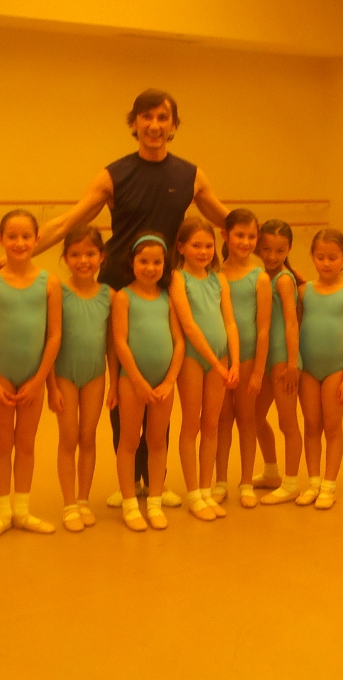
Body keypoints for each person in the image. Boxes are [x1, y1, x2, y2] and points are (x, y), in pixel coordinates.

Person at [0, 89, 229, 505]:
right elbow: (66, 223)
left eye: (163, 118)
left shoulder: (191, 176)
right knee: (124, 381)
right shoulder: (113, 176)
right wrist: (8, 260)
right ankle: (131, 480)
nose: (155, 125)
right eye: (147, 117)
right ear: (134, 123)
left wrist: (273, 254)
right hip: (118, 289)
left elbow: (229, 220)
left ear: (173, 125)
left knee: (160, 376)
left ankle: (155, 481)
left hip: (163, 289)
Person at [0, 210, 62, 540]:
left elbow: (54, 336)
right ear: (0, 240)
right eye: (12, 236)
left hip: (33, 375)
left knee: (25, 445)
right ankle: (3, 514)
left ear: (37, 240)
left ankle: (22, 512)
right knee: (2, 444)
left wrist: (39, 380)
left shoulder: (49, 282)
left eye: (26, 236)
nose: (19, 242)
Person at [111, 233, 185, 531]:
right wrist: (138, 381)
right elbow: (120, 342)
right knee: (129, 441)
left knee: (157, 441)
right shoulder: (123, 297)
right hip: (132, 381)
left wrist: (169, 380)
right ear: (132, 262)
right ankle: (130, 504)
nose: (150, 268)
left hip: (163, 382)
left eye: (157, 262)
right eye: (144, 261)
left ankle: (154, 501)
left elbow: (179, 342)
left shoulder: (168, 298)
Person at [170, 217, 240, 521]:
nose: (203, 251)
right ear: (181, 247)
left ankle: (206, 488)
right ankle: (193, 494)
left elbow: (230, 322)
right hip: (193, 359)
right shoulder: (177, 278)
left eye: (208, 246)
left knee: (211, 424)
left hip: (221, 359)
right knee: (192, 424)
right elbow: (188, 325)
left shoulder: (219, 279)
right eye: (196, 245)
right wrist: (214, 362)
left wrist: (234, 362)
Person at [48, 225, 114, 532]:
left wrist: (114, 383)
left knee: (88, 437)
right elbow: (49, 340)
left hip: (95, 376)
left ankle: (84, 499)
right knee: (68, 438)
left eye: (90, 254)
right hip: (64, 374)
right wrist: (50, 385)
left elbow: (112, 343)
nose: (83, 261)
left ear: (101, 256)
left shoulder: (109, 295)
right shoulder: (58, 292)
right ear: (65, 258)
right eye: (75, 254)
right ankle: (69, 504)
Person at [296, 228, 343, 509]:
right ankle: (313, 482)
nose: (326, 263)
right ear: (313, 257)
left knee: (332, 427)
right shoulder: (304, 292)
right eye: (320, 257)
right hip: (308, 369)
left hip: (336, 369)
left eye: (332, 258)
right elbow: (294, 328)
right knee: (312, 425)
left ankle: (329, 485)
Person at [213, 209, 271, 508]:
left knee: (246, 419)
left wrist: (259, 371)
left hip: (248, 358)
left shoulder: (260, 278)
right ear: (225, 235)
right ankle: (220, 481)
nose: (246, 242)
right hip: (221, 357)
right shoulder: (215, 275)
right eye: (239, 235)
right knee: (222, 419)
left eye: (251, 236)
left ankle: (246, 481)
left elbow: (263, 329)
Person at [253, 220, 305, 505]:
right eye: (266, 249)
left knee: (287, 422)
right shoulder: (261, 276)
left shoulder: (283, 280)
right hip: (266, 356)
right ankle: (271, 472)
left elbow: (291, 322)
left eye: (279, 250)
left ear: (289, 249)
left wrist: (292, 363)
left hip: (284, 358)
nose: (272, 256)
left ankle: (292, 483)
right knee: (255, 417)